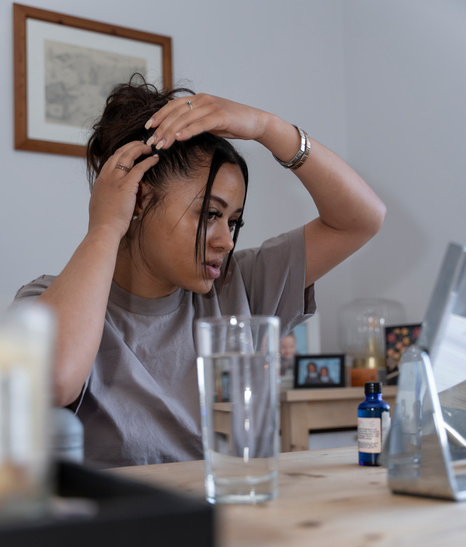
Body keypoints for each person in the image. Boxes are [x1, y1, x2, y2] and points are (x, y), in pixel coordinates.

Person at [14, 76, 386, 467]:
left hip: (231, 516)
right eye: (210, 214)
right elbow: (53, 383)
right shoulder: (45, 302)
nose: (226, 241)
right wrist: (106, 226)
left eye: (233, 221)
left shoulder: (237, 287)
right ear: (138, 199)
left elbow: (362, 218)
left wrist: (268, 128)